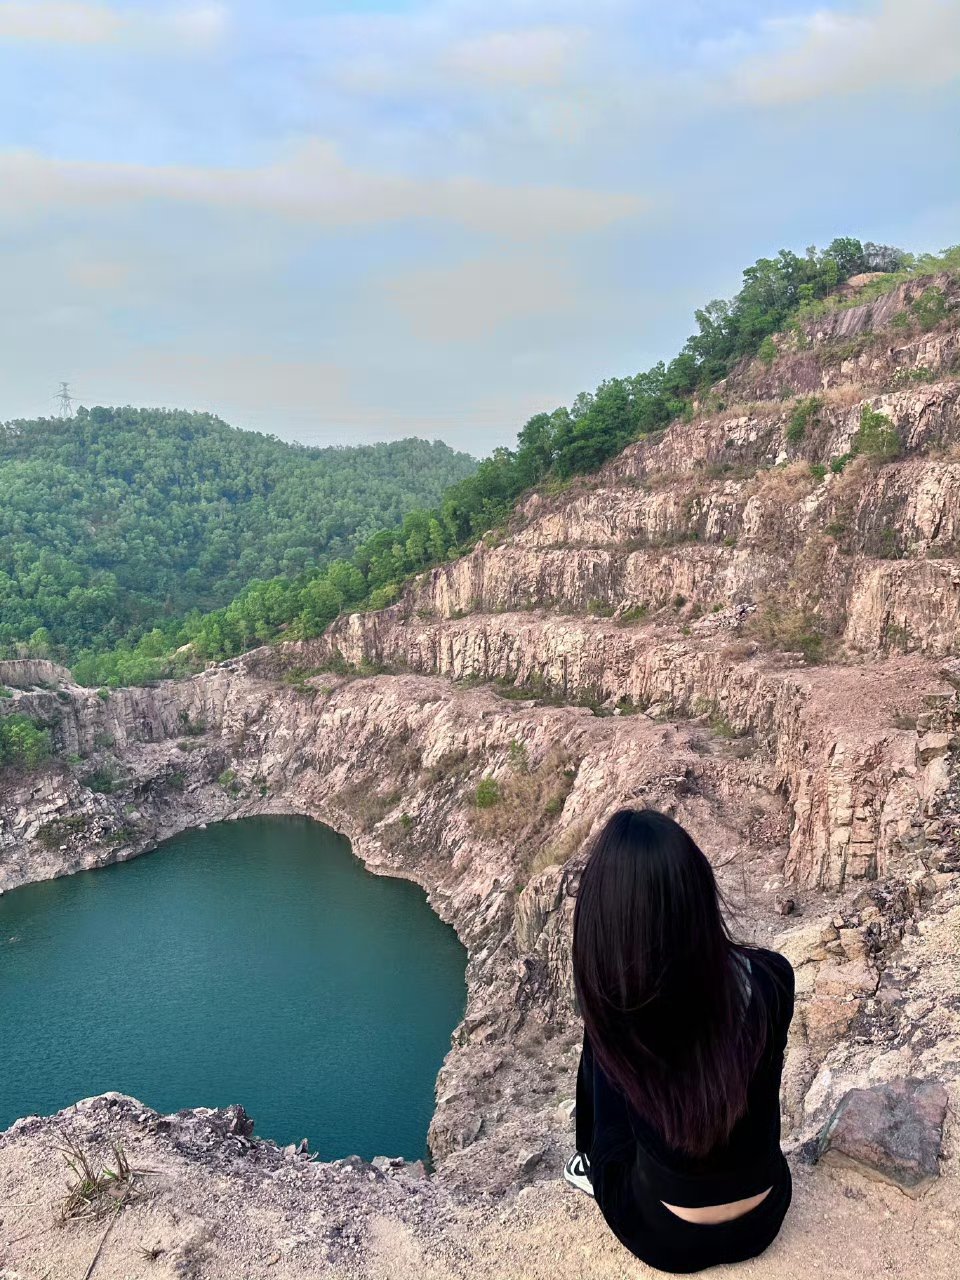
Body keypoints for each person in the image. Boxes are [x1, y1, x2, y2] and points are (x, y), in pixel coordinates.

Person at [564, 809, 795, 1274]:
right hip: (766, 1211)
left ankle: (587, 1164)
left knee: (604, 1044)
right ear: (700, 897)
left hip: (666, 1234)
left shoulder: (618, 1012)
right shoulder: (774, 977)